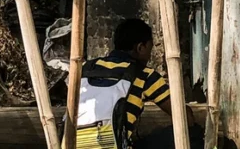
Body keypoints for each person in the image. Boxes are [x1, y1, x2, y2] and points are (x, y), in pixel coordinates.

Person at [75, 18, 202, 149]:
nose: (149, 55)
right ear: (141, 48)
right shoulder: (144, 75)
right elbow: (185, 117)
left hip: (69, 144)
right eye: (150, 49)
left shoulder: (86, 68)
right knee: (193, 134)